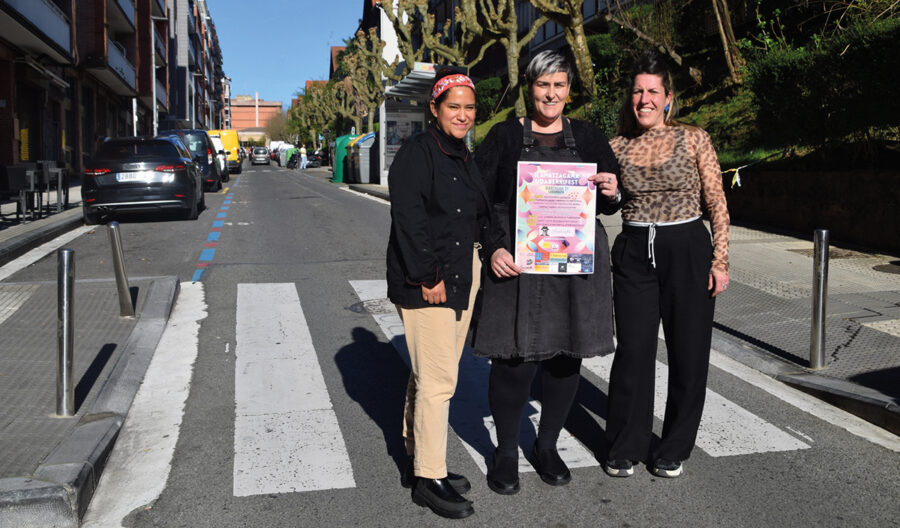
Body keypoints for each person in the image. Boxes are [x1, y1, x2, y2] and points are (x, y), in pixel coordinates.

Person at [473, 50, 621, 495]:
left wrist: (612, 190)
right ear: (529, 88)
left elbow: (611, 202)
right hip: (517, 263)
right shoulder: (503, 136)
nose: (551, 94)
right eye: (543, 85)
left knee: (565, 356)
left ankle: (547, 445)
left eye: (559, 85)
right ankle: (504, 452)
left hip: (573, 266)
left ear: (569, 90)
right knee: (512, 362)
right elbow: (478, 200)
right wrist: (492, 248)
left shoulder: (589, 136)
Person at [603, 51, 730, 479]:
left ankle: (673, 446)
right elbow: (611, 203)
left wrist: (721, 259)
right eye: (638, 91)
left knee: (688, 352)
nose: (645, 99)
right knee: (633, 351)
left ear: (668, 97)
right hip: (635, 250)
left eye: (653, 91)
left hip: (687, 248)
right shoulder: (617, 146)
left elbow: (716, 200)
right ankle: (626, 443)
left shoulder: (694, 138)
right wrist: (609, 193)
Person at [386, 68, 489, 519]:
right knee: (439, 380)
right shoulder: (418, 152)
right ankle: (429, 478)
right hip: (429, 279)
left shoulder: (463, 154)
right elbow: (409, 219)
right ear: (434, 108)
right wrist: (428, 276)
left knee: (429, 373)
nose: (463, 115)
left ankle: (416, 455)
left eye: (469, 108)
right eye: (454, 107)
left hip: (463, 273)